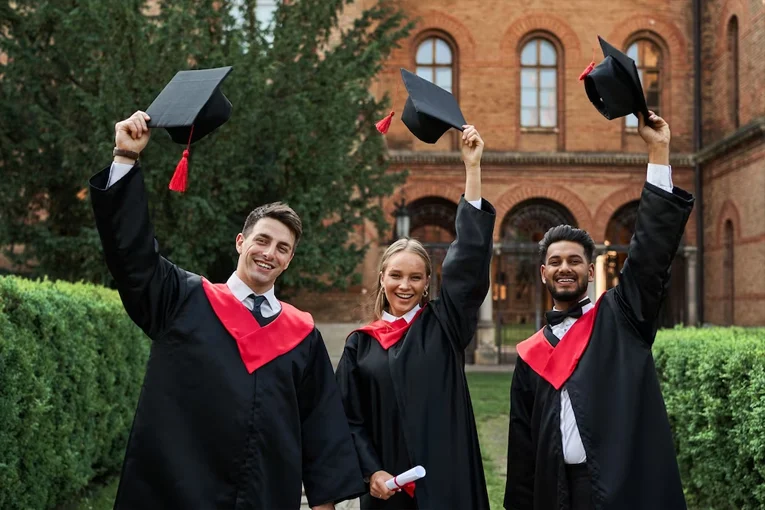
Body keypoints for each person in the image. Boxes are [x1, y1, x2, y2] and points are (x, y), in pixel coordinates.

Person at [89, 105, 365, 509]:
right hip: (178, 493)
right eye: (263, 240)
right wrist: (125, 158)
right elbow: (130, 254)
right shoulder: (181, 298)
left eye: (283, 248)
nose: (269, 253)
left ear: (289, 261)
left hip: (264, 495)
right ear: (240, 242)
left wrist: (324, 504)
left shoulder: (302, 336)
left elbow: (321, 426)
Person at [503, 111, 693, 510]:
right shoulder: (530, 355)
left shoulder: (621, 319)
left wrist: (658, 151)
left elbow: (649, 257)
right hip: (554, 490)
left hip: (614, 488)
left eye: (574, 261)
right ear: (543, 274)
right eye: (555, 262)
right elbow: (522, 447)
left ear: (590, 271)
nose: (564, 268)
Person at [335, 118, 495, 509]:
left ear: (427, 284)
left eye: (415, 277)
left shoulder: (444, 326)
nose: (404, 286)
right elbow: (346, 419)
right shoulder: (361, 345)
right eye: (396, 275)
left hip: (448, 486)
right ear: (382, 278)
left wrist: (472, 170)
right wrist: (372, 472)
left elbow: (468, 264)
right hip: (387, 492)